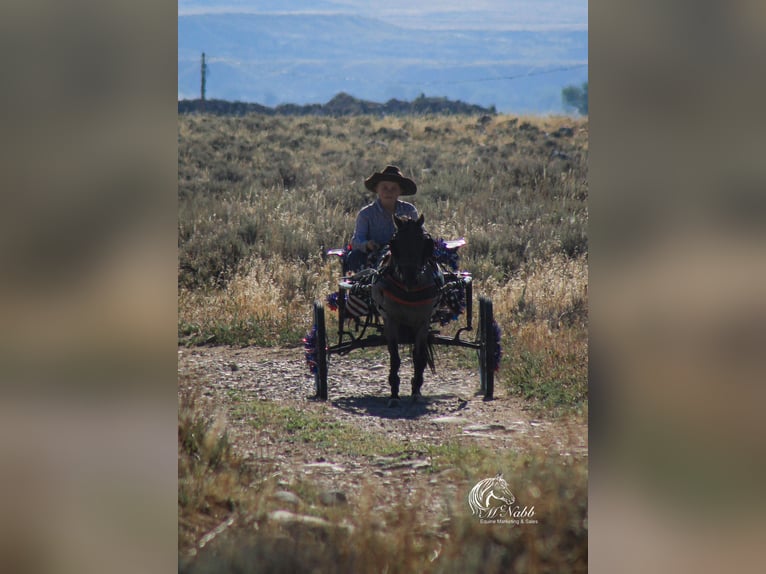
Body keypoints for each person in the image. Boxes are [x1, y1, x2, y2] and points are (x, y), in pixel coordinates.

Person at [345, 165, 419, 273]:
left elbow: (420, 235)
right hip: (373, 258)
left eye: (394, 188)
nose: (389, 192)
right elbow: (356, 240)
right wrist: (367, 244)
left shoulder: (409, 211)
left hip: (403, 257)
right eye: (384, 187)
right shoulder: (366, 214)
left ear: (400, 191)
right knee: (355, 256)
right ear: (377, 189)